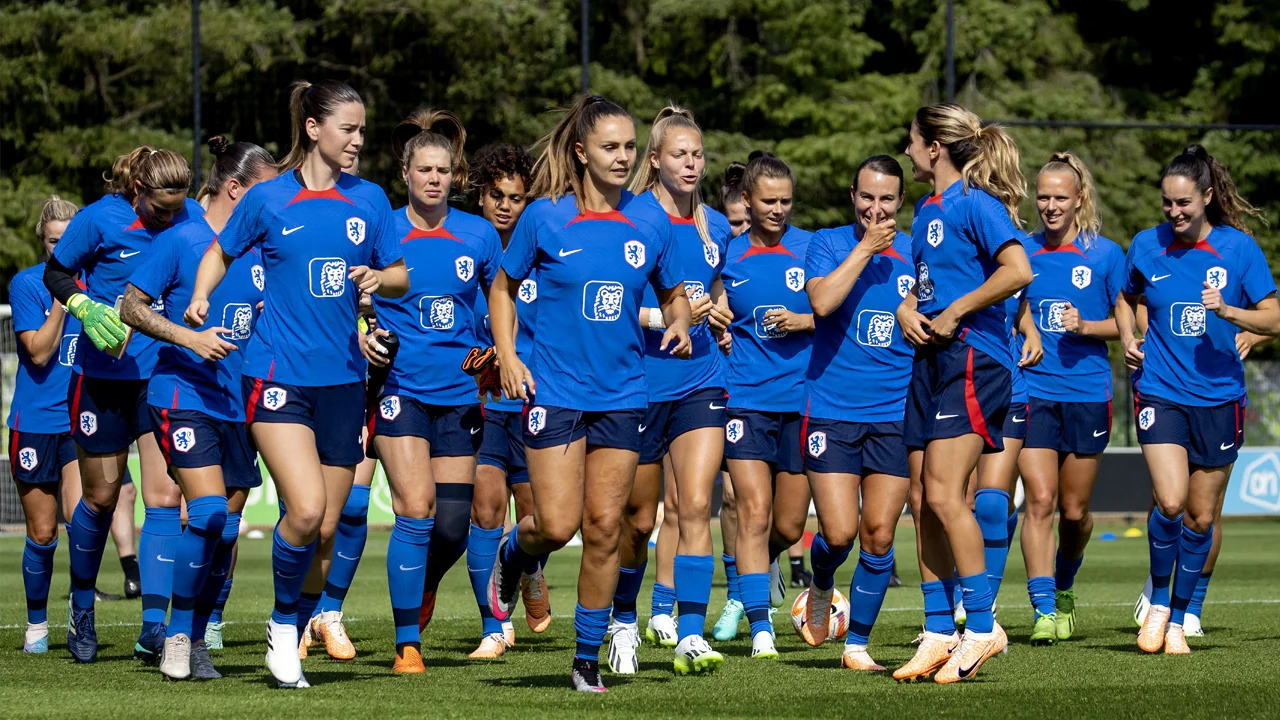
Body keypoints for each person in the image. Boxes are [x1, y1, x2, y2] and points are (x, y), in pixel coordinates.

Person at [186, 79, 408, 688]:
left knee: (328, 526)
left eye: (362, 131)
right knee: (306, 511)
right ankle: (284, 631)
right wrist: (202, 294)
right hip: (276, 374)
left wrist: (378, 279)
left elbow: (400, 274)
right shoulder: (268, 199)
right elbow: (220, 252)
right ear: (313, 129)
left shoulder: (370, 200)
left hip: (345, 381)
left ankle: (296, 619)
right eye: (348, 129)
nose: (358, 140)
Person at [486, 94, 692, 692]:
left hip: (624, 395)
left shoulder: (651, 220)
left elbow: (674, 293)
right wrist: (507, 357)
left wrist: (680, 321)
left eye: (629, 147)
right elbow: (502, 289)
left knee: (604, 527)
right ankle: (513, 555)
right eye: (609, 147)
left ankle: (584, 660)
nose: (623, 157)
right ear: (580, 152)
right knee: (555, 526)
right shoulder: (544, 217)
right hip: (554, 391)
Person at [120, 136, 276, 680]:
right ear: (235, 189)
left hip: (240, 403)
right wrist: (190, 339)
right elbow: (130, 307)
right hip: (182, 394)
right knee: (207, 513)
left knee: (226, 529)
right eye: (265, 191)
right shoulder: (181, 239)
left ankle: (201, 633)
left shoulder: (262, 251)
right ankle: (178, 636)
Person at [43, 146, 202, 664]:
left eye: (177, 208)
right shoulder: (98, 219)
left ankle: (154, 627)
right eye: (160, 209)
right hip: (102, 379)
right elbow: (56, 272)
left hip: (164, 376)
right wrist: (83, 305)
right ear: (138, 191)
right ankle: (81, 606)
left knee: (163, 496)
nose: (170, 218)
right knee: (102, 496)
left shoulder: (190, 216)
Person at [1117, 144, 1277, 655]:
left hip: (1220, 398)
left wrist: (1231, 313)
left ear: (1207, 197)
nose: (1174, 212)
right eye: (1167, 202)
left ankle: (1182, 618)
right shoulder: (1146, 244)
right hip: (1160, 391)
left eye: (1183, 203)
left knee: (1202, 518)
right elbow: (1125, 296)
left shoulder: (1238, 249)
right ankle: (1158, 603)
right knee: (1170, 501)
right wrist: (1127, 335)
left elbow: (1274, 317)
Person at [893, 104, 1032, 683]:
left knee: (949, 495)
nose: (906, 149)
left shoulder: (977, 203)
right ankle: (935, 632)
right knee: (924, 499)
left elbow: (1017, 271)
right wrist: (908, 309)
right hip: (929, 360)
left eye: (911, 140)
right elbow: (929, 286)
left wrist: (955, 311)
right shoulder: (926, 209)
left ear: (934, 147)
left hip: (974, 358)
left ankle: (981, 627)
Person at [364, 108, 500, 672]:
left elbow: (501, 302)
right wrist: (362, 334)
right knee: (414, 509)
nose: (434, 179)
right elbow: (344, 295)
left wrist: (499, 351)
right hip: (400, 389)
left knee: (451, 526)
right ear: (406, 173)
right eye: (424, 169)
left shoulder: (479, 234)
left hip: (460, 393)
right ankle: (407, 644)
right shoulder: (381, 230)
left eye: (443, 170)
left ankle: (420, 587)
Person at [607, 106, 732, 676]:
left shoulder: (716, 227)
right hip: (638, 385)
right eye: (679, 154)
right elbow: (611, 300)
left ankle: (690, 634)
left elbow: (713, 288)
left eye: (697, 155)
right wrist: (665, 318)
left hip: (701, 379)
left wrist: (719, 312)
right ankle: (622, 620)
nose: (691, 164)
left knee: (697, 506)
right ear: (654, 160)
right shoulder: (630, 217)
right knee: (637, 521)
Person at [800, 155, 913, 670]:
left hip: (896, 412)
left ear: (901, 201)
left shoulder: (917, 252)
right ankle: (822, 583)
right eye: (867, 197)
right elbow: (822, 303)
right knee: (839, 533)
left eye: (887, 199)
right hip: (831, 408)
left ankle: (857, 645)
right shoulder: (827, 243)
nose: (876, 208)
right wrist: (865, 249)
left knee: (880, 534)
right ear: (852, 196)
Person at [1016, 152, 1125, 645]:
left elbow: (1132, 323)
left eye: (1060, 197)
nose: (1050, 206)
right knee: (1039, 500)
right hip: (1033, 389)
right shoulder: (1021, 250)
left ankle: (1064, 587)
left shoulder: (1106, 255)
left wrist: (1087, 326)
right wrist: (1027, 327)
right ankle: (1042, 608)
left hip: (1086, 392)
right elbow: (1010, 306)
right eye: (1043, 197)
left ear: (1080, 198)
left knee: (1075, 512)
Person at [719, 152, 814, 661]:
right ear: (747, 201)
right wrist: (713, 324)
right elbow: (703, 308)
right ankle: (760, 626)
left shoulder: (813, 249)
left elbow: (841, 310)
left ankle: (760, 568)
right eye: (768, 201)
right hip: (746, 400)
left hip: (801, 401)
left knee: (789, 526)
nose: (778, 210)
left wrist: (804, 321)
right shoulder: (726, 256)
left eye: (786, 201)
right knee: (752, 512)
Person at [468, 142, 547, 651]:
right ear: (481, 196)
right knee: (486, 510)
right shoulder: (466, 252)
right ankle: (493, 626)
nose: (505, 205)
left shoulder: (543, 253)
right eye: (496, 195)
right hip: (482, 405)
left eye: (516, 198)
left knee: (539, 517)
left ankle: (528, 567)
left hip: (537, 405)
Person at [9, 196, 85, 653]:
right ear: (43, 240)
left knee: (82, 521)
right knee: (43, 533)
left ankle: (81, 615)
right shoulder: (26, 284)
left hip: (81, 420)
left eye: (69, 241)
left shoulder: (98, 281)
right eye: (54, 241)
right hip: (35, 421)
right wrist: (63, 295)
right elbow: (38, 352)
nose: (61, 249)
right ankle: (37, 625)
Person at [711, 164, 751, 643]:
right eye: (733, 223)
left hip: (771, 390)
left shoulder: (784, 253)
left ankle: (766, 563)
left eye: (745, 223)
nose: (738, 232)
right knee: (731, 496)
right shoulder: (714, 256)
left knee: (777, 512)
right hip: (719, 387)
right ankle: (738, 593)